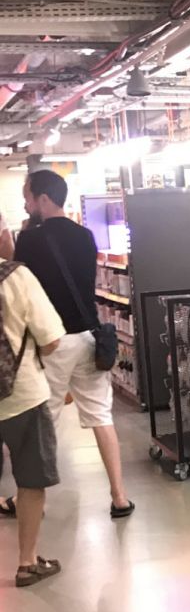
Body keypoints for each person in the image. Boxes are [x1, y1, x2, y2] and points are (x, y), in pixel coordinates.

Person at [9, 170, 133, 519]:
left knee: (43, 422)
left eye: (28, 197)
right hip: (90, 338)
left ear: (43, 198)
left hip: (53, 341)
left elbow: (20, 285)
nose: (26, 203)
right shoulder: (85, 235)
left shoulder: (30, 240)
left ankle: (28, 500)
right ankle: (120, 497)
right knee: (101, 416)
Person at [0, 256, 66, 584]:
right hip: (21, 395)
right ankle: (27, 563)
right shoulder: (16, 276)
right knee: (30, 479)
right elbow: (51, 339)